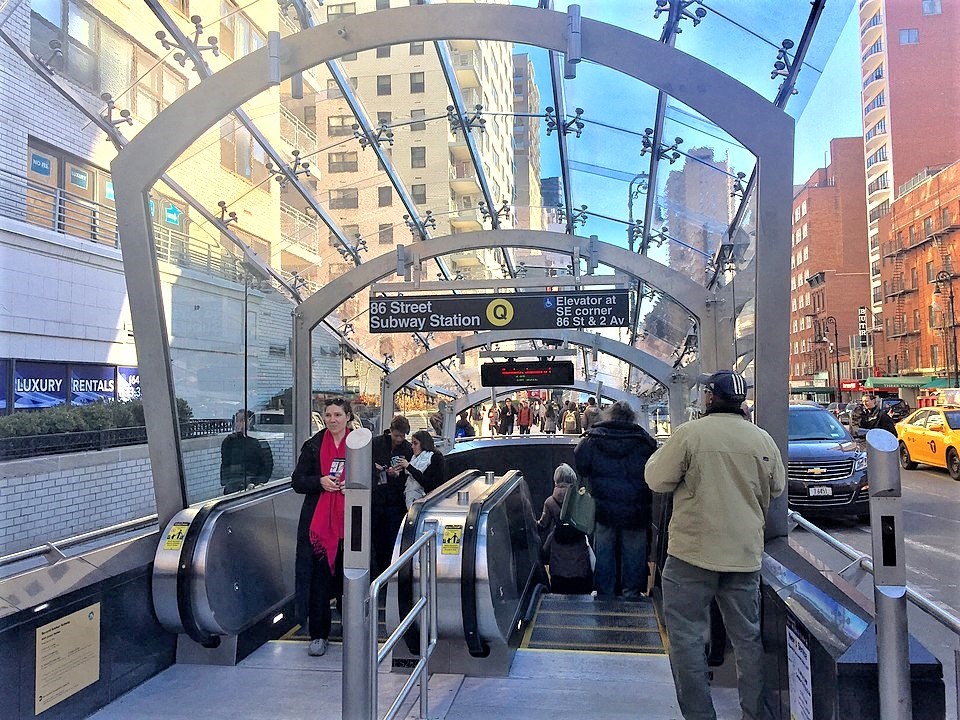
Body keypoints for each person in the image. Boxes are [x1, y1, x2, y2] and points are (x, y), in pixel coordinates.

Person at [646, 370, 785, 720]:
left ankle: (700, 715)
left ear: (709, 398)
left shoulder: (690, 435)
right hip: (744, 556)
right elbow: (778, 487)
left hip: (691, 556)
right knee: (747, 641)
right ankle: (753, 713)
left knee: (687, 641)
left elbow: (656, 479)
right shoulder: (762, 440)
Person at [574, 400, 657, 600]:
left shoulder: (593, 438)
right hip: (636, 510)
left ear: (609, 416)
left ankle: (605, 593)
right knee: (634, 554)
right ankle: (631, 593)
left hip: (604, 509)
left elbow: (582, 465)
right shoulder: (644, 441)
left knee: (604, 553)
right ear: (632, 418)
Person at [292, 397, 353, 657]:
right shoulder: (313, 446)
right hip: (318, 527)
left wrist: (353, 485)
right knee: (319, 582)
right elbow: (297, 482)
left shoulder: (360, 445)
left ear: (348, 417)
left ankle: (353, 629)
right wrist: (320, 482)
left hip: (351, 523)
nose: (332, 420)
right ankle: (318, 634)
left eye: (337, 415)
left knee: (348, 579)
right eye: (328, 415)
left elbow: (375, 478)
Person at [537, 463, 593, 594]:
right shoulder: (581, 500)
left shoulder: (550, 502)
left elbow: (542, 525)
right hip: (578, 552)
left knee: (558, 589)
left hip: (558, 551)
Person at [370, 415, 413, 581]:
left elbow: (410, 474)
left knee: (393, 539)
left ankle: (390, 575)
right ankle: (378, 575)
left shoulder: (408, 449)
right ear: (391, 431)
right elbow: (366, 462)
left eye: (402, 436)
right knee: (377, 539)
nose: (399, 439)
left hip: (395, 500)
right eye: (396, 435)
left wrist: (397, 475)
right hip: (377, 498)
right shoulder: (376, 444)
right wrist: (379, 469)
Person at [220, 409, 274, 494]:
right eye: (237, 420)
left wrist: (256, 483)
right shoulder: (229, 441)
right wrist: (226, 482)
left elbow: (267, 466)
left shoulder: (258, 441)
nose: (239, 424)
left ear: (250, 421)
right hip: (233, 486)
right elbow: (225, 464)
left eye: (242, 420)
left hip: (252, 487)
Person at [395, 430, 445, 507]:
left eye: (415, 443)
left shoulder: (435, 457)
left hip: (428, 500)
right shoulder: (414, 458)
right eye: (412, 443)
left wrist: (409, 467)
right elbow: (407, 478)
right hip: (410, 496)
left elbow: (429, 484)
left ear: (424, 444)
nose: (412, 447)